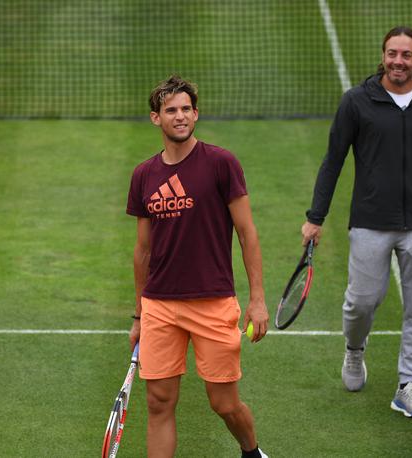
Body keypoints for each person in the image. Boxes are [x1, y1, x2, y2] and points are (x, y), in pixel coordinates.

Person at [301, 27, 412, 418]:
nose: (398, 61)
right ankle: (355, 351)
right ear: (383, 55)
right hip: (370, 222)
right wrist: (315, 218)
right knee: (361, 302)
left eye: (406, 55)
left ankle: (407, 384)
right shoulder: (357, 102)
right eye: (392, 53)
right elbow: (333, 160)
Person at [126, 75, 269, 457]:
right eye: (170, 110)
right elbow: (142, 251)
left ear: (196, 113)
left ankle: (251, 451)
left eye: (186, 109)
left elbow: (247, 233)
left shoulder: (221, 164)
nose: (180, 116)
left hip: (213, 301)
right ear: (156, 118)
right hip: (160, 304)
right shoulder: (144, 175)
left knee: (223, 404)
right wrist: (139, 315)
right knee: (158, 402)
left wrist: (257, 299)